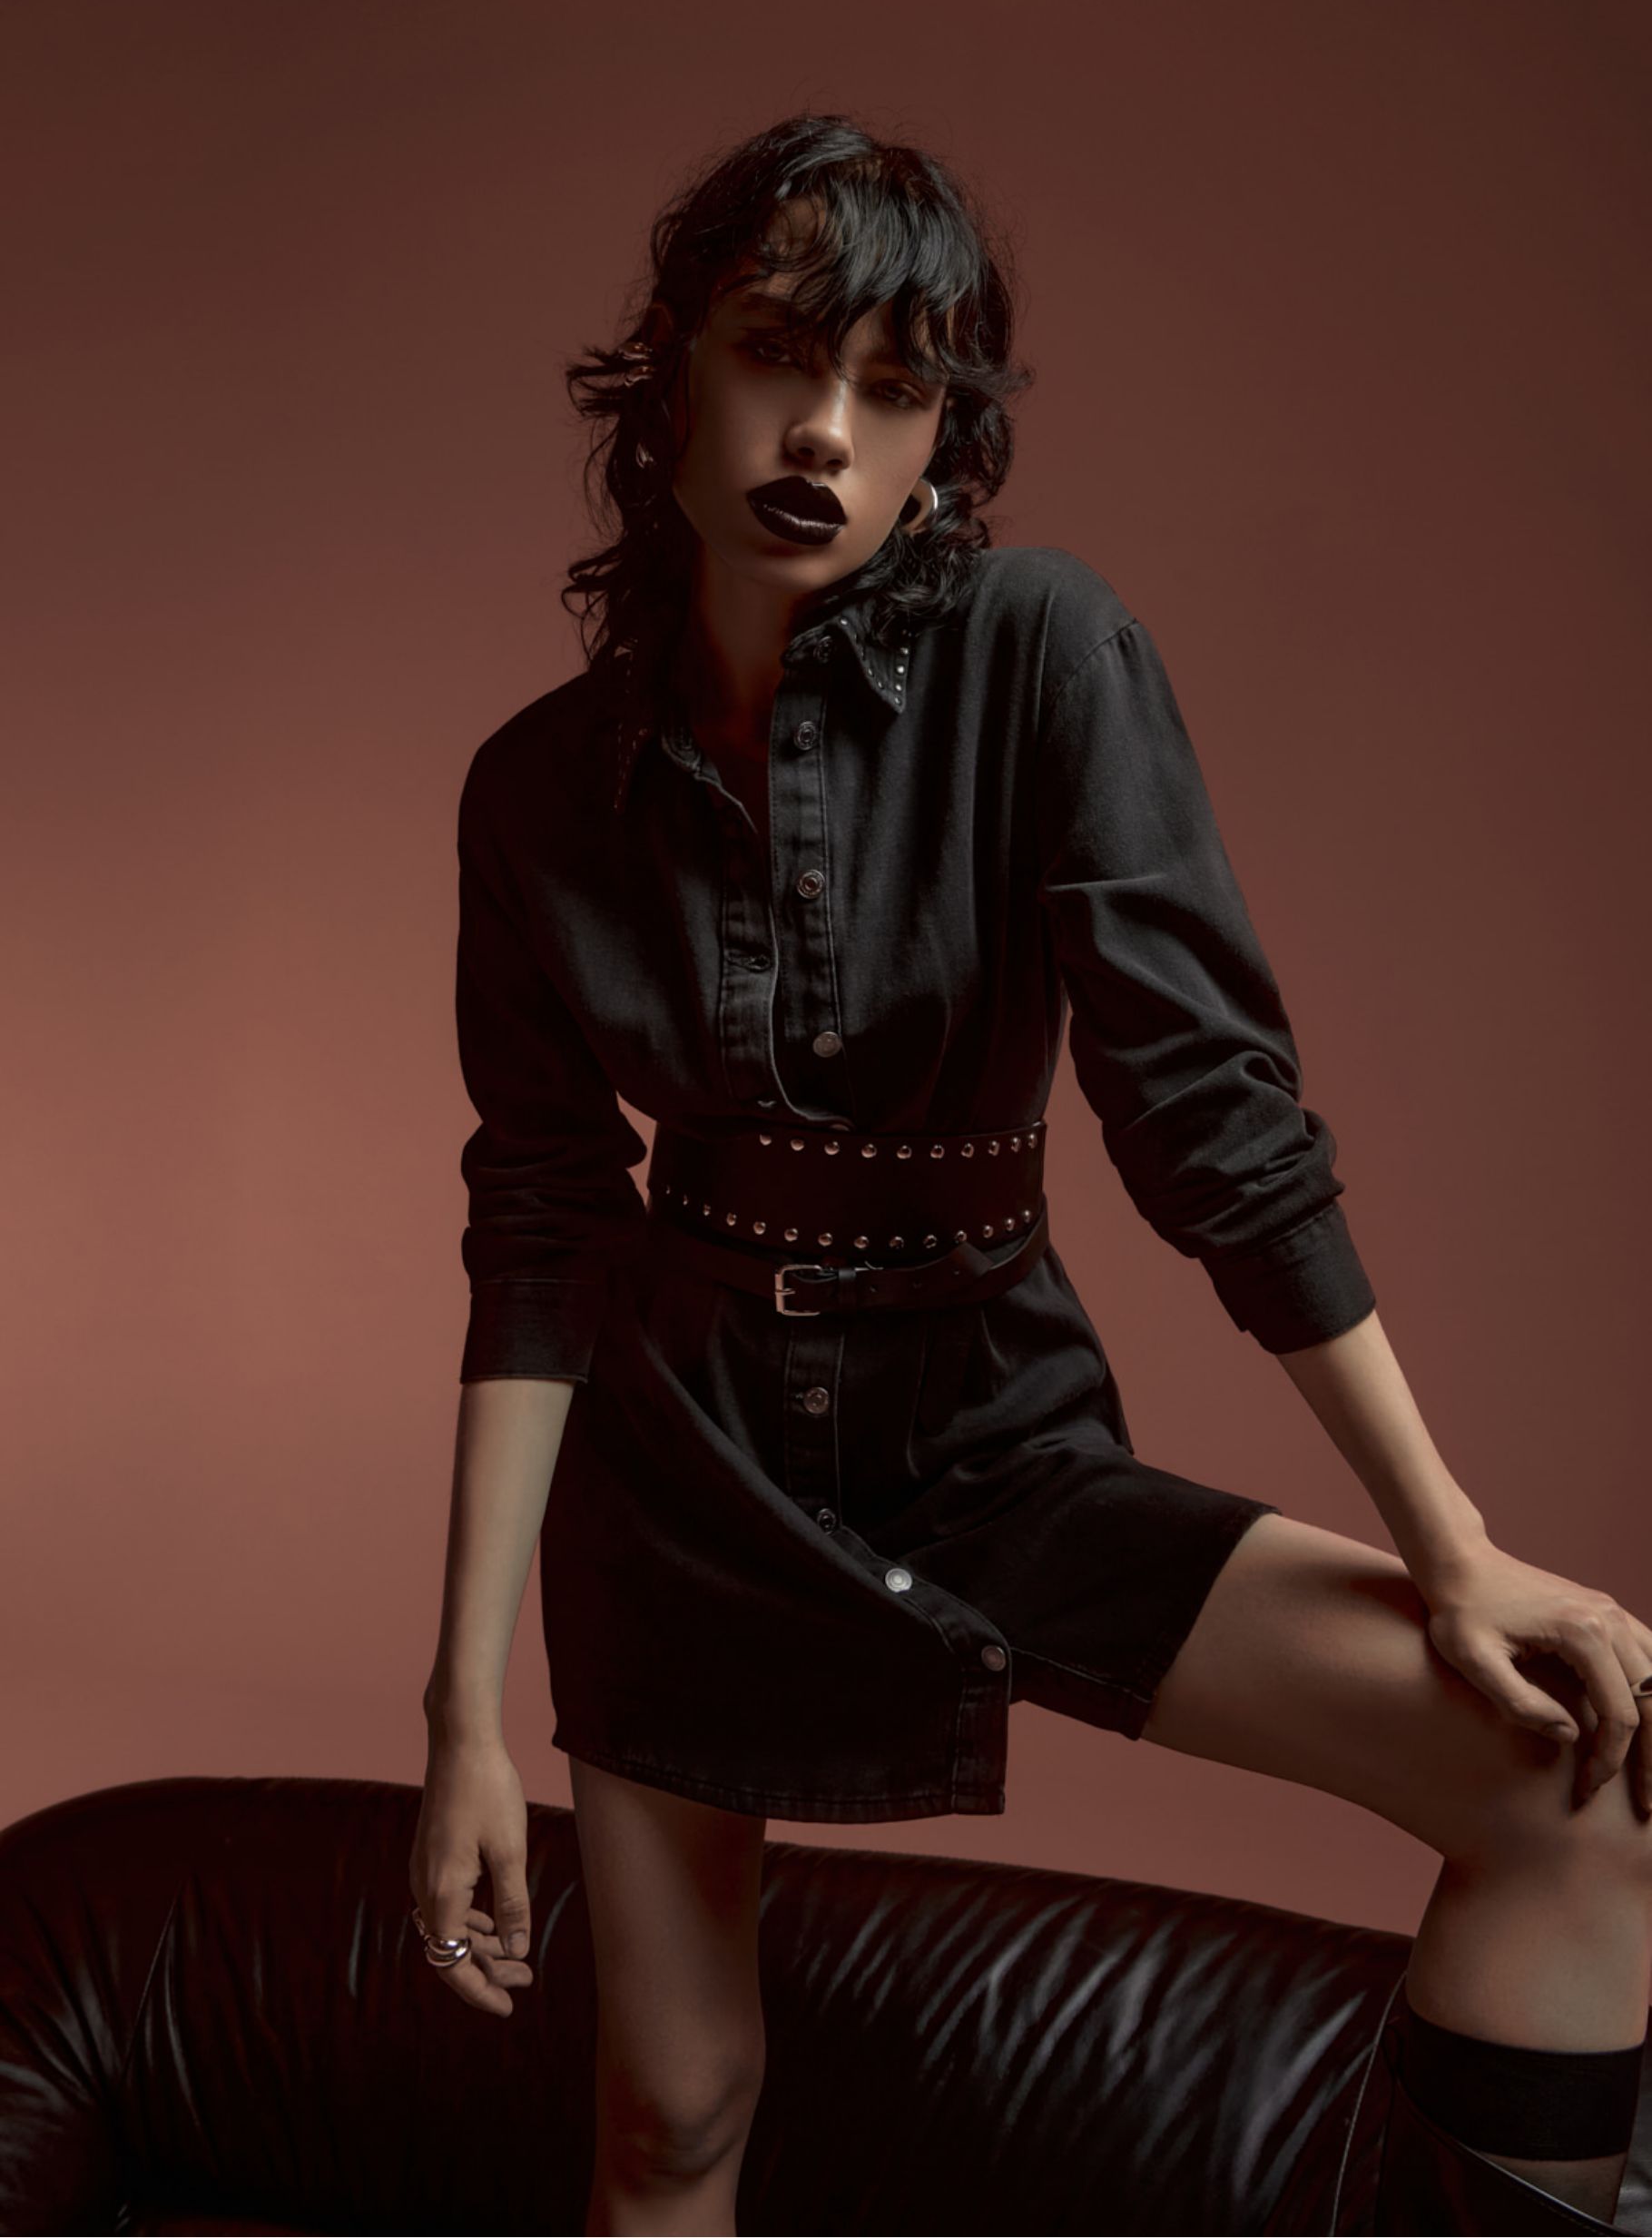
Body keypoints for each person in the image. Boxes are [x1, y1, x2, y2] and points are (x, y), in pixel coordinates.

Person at [409, 113, 1651, 2236]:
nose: (824, 428)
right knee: (670, 2115)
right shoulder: (534, 790)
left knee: (1573, 1783)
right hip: (680, 1464)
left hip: (990, 1425)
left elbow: (1210, 1121)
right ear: (672, 371)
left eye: (894, 387)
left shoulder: (1042, 650)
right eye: (774, 351)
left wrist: (1444, 1547)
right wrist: (458, 1714)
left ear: (943, 441)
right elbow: (538, 1224)